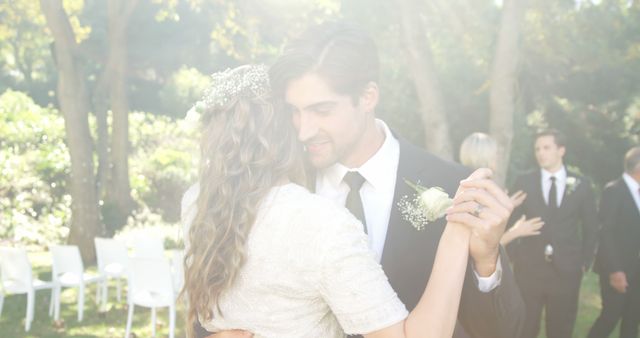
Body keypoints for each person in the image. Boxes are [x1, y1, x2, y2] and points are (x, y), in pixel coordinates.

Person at [196, 21, 525, 338]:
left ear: (368, 96)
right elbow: (223, 296)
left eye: (321, 110)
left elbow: (502, 332)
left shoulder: (452, 186)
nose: (303, 130)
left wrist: (486, 261)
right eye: (294, 111)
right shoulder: (274, 188)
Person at [508, 129, 599, 338]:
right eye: (537, 148)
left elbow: (591, 227)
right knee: (525, 328)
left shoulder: (581, 185)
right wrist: (511, 256)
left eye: (546, 147)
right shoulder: (524, 181)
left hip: (566, 271)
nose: (540, 153)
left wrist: (584, 261)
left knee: (560, 329)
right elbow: (510, 221)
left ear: (561, 150)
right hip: (529, 270)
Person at [588, 146, 640, 338]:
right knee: (610, 316)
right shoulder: (614, 190)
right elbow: (606, 233)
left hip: (637, 269)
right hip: (618, 269)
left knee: (633, 320)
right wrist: (615, 270)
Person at [459, 132, 544, 246]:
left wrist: (503, 205)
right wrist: (516, 231)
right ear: (486, 156)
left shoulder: (466, 185)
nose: (498, 157)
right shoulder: (477, 191)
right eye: (496, 154)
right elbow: (481, 245)